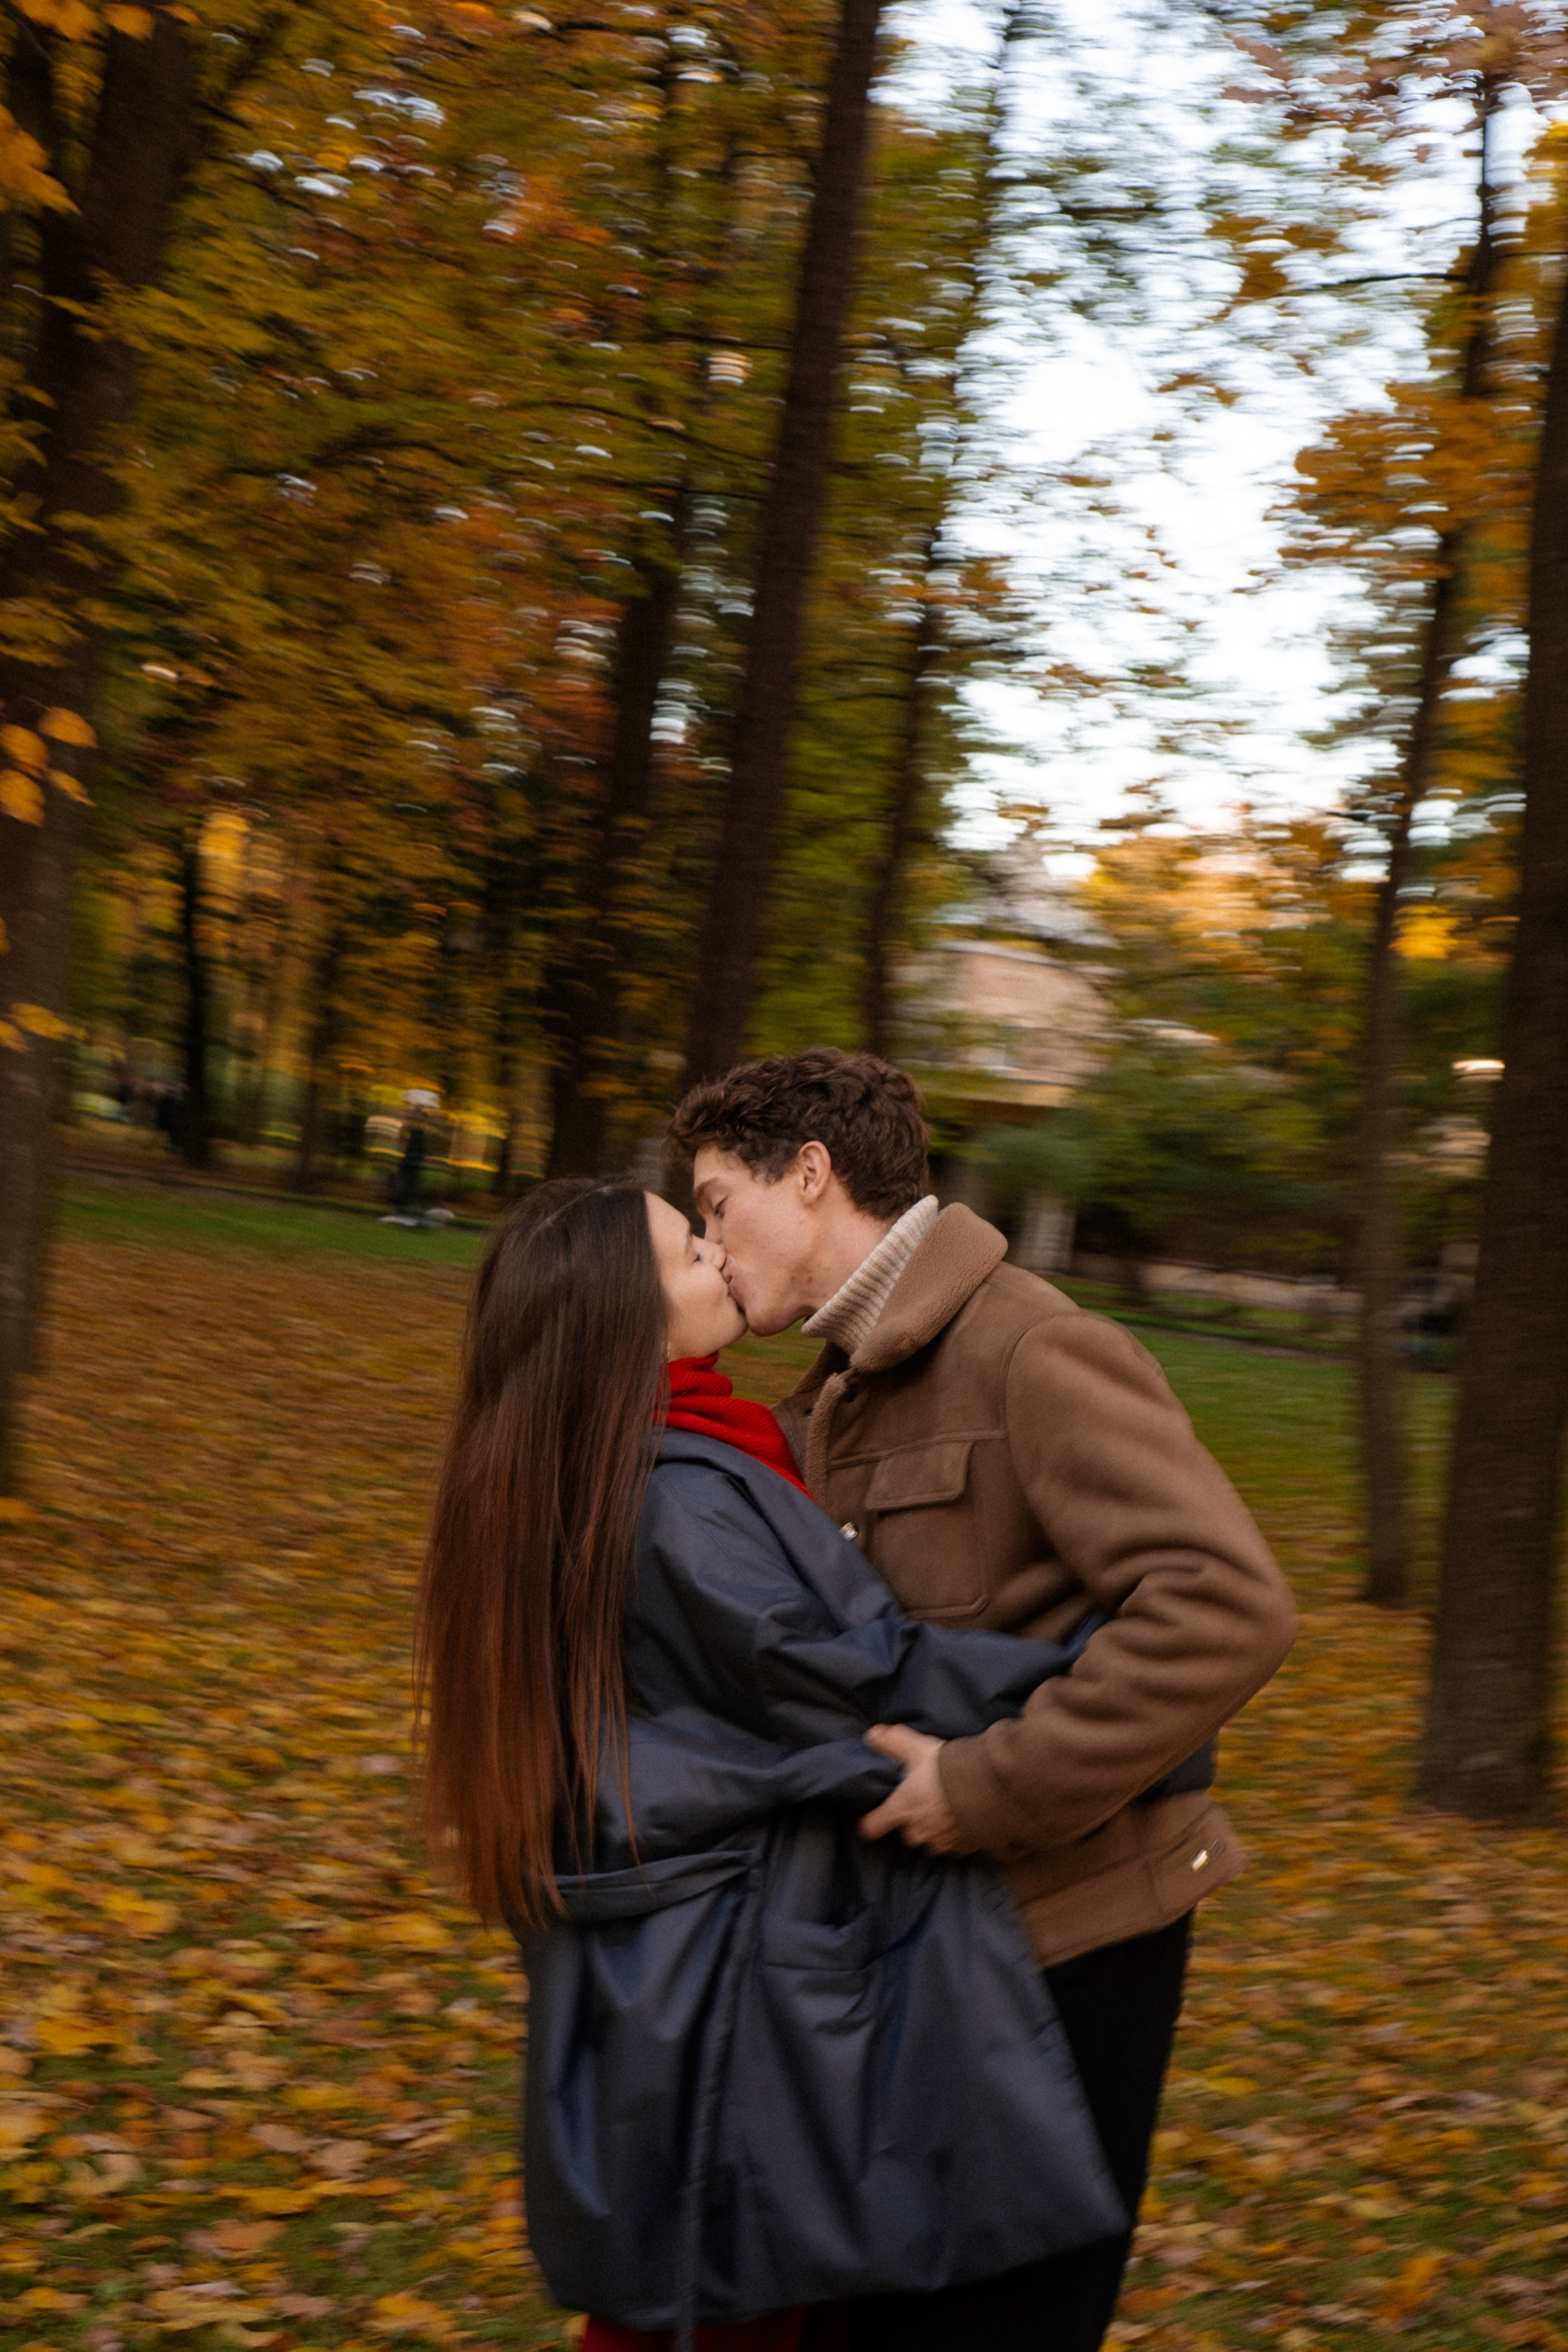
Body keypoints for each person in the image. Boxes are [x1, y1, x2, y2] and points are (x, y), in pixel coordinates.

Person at [417, 1179, 1129, 2352]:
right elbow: (851, 1679)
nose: (715, 1254)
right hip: (734, 1995)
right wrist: (1105, 1673)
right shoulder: (675, 1495)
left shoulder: (608, 1458)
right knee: (738, 2308)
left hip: (685, 1970)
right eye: (686, 1250)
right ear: (622, 1322)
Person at [670, 1047, 1297, 2352]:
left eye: (718, 1204)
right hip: (931, 1950)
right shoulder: (836, 1386)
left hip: (1072, 1946)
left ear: (808, 1173)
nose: (713, 1246)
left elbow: (1221, 1605)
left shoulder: (1032, 1348)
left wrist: (984, 1786)